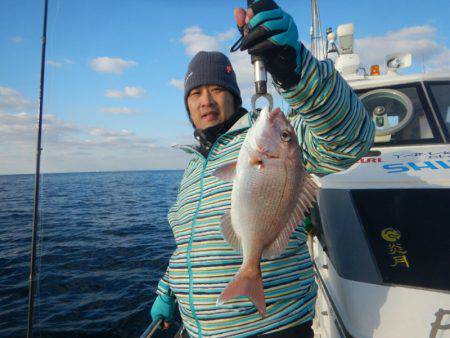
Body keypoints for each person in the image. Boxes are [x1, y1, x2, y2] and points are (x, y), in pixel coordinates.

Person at [150, 1, 375, 337]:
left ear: (234, 95)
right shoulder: (194, 166)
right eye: (195, 93)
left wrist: (295, 71)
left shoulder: (277, 141)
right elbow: (189, 242)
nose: (205, 101)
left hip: (275, 328)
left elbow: (348, 139)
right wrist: (169, 289)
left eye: (216, 89)